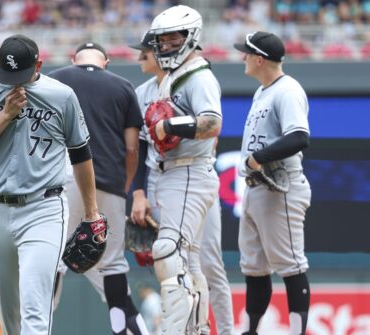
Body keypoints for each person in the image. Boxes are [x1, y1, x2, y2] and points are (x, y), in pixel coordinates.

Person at [0, 34, 103, 335]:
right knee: (10, 319)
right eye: (7, 75)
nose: (14, 82)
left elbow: (81, 154)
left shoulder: (62, 95)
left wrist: (92, 212)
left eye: (20, 75)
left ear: (39, 65)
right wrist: (6, 115)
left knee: (35, 310)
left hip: (44, 208)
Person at [129, 30, 235, 335]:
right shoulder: (146, 91)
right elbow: (141, 146)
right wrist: (138, 193)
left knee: (204, 262)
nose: (140, 56)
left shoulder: (195, 79)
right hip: (162, 178)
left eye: (145, 51)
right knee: (180, 260)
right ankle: (197, 328)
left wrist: (171, 126)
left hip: (193, 175)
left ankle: (222, 330)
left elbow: (210, 127)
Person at [47, 42, 149, 335]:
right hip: (108, 180)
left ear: (72, 58)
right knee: (113, 264)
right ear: (107, 61)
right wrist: (126, 184)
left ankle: (38, 327)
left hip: (63, 180)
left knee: (53, 260)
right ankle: (122, 330)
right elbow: (132, 148)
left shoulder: (55, 79)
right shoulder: (124, 86)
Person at [233, 31, 311, 335]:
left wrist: (257, 158)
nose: (242, 57)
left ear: (259, 59)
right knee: (254, 267)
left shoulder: (287, 90)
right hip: (256, 188)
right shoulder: (262, 91)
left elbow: (299, 136)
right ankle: (251, 330)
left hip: (281, 186)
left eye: (246, 53)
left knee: (291, 265)